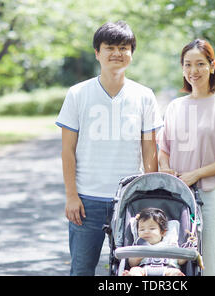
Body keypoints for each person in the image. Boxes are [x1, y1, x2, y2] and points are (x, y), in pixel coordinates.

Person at [56, 21, 163, 276]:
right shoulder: (77, 93)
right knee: (81, 269)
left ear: (132, 53)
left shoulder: (144, 95)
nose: (117, 53)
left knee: (133, 270)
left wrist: (150, 195)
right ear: (97, 52)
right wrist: (71, 195)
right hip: (86, 200)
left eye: (124, 48)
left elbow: (150, 149)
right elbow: (67, 150)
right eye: (110, 47)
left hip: (130, 199)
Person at [157, 38, 215, 276]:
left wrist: (196, 174)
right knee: (175, 262)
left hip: (210, 192)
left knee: (210, 263)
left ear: (212, 66)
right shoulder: (175, 107)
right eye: (187, 65)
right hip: (176, 194)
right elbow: (164, 148)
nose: (193, 71)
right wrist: (165, 167)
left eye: (200, 64)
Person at [122, 207, 185, 276]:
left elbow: (180, 261)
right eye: (142, 230)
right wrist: (140, 255)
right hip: (144, 269)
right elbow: (131, 263)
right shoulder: (138, 246)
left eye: (152, 229)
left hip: (167, 268)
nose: (146, 232)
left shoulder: (170, 244)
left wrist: (188, 252)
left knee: (174, 272)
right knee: (135, 270)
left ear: (163, 232)